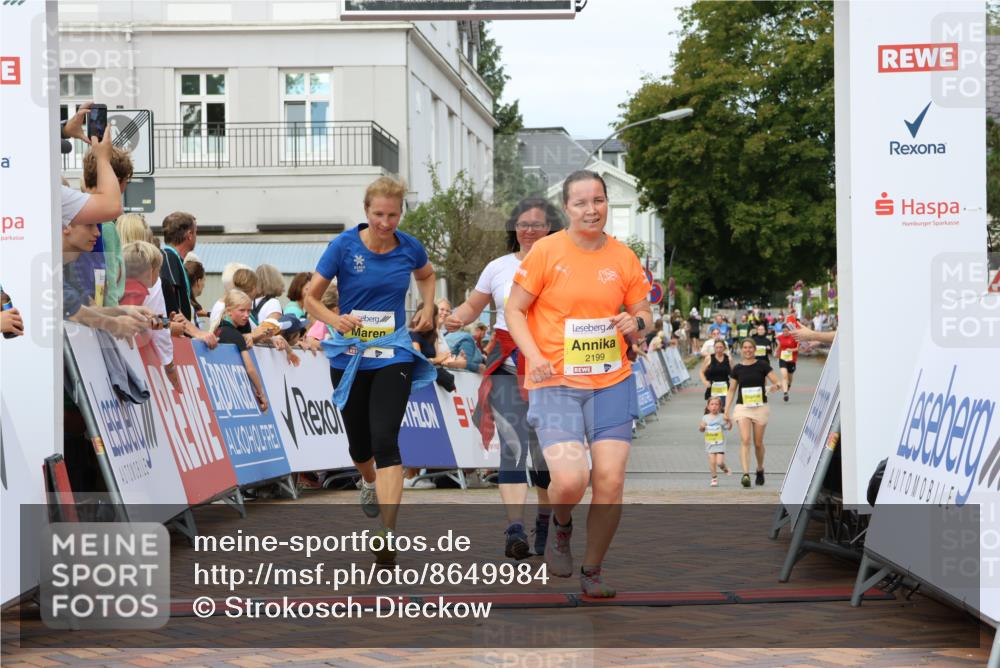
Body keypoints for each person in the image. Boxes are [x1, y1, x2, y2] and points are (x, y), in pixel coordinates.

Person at [505, 170, 651, 598]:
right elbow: (515, 311)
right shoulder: (547, 252)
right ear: (567, 209)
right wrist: (533, 356)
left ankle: (592, 571)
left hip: (612, 381)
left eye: (599, 201)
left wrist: (636, 321)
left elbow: (645, 311)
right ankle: (561, 525)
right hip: (556, 383)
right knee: (570, 480)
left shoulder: (623, 257)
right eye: (582, 202)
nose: (592, 209)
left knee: (609, 480)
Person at [304, 176, 437, 566]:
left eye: (392, 215)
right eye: (378, 214)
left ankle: (387, 534)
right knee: (360, 447)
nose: (385, 222)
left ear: (401, 213)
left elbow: (426, 276)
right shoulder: (343, 246)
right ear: (366, 211)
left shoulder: (410, 247)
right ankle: (367, 480)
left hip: (393, 354)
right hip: (350, 357)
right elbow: (310, 297)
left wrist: (428, 307)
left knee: (385, 442)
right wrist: (335, 319)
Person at [446, 196, 563, 559]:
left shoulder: (562, 265)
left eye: (538, 224)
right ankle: (515, 529)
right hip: (507, 364)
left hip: (550, 367)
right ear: (514, 229)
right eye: (523, 224)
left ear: (551, 228)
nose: (529, 230)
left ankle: (544, 522)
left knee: (547, 456)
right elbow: (473, 306)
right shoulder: (497, 267)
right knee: (513, 448)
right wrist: (456, 318)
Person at [724, 339, 782, 489]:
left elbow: (777, 382)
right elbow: (731, 390)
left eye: (750, 347)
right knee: (745, 439)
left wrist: (774, 387)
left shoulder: (762, 365)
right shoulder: (737, 368)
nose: (748, 350)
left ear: (754, 349)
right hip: (742, 407)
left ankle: (760, 469)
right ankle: (745, 474)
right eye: (745, 348)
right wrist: (726, 410)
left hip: (760, 407)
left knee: (757, 443)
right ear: (741, 350)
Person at [208, 290, 268, 413]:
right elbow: (250, 369)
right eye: (241, 310)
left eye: (249, 311)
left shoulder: (217, 330)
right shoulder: (235, 336)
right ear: (229, 311)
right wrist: (261, 393)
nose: (246, 315)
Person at [160, 211, 198, 324]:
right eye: (196, 232)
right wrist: (195, 332)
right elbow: (171, 304)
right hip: (177, 335)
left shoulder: (175, 258)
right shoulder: (169, 257)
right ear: (190, 234)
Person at [699, 397, 730, 487]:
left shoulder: (722, 417)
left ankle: (724, 468)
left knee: (719, 462)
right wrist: (702, 426)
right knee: (712, 462)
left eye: (716, 404)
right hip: (710, 443)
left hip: (720, 444)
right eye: (712, 404)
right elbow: (701, 429)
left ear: (720, 406)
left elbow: (729, 427)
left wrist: (729, 421)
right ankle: (714, 478)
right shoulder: (705, 417)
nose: (714, 406)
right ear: (708, 407)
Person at [700, 339, 732, 409]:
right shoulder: (709, 358)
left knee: (721, 408)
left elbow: (734, 373)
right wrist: (705, 381)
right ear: (714, 348)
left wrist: (733, 384)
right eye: (717, 347)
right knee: (713, 409)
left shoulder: (728, 359)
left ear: (724, 348)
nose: (719, 349)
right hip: (712, 387)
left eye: (720, 347)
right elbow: (701, 372)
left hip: (724, 388)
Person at [775, 317, 800, 402]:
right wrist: (776, 352)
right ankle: (785, 393)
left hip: (792, 360)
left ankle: (788, 385)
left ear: (789, 330)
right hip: (782, 359)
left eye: (786, 331)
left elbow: (798, 349)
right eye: (783, 331)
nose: (785, 332)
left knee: (790, 376)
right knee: (784, 375)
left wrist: (791, 350)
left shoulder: (794, 337)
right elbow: (779, 346)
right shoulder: (780, 337)